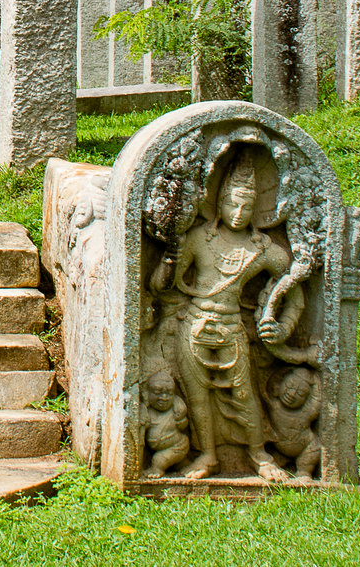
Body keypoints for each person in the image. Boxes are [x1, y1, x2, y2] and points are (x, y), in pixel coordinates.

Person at [152, 150, 294, 481]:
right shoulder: (200, 239)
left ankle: (259, 455)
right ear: (219, 202)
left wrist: (282, 323)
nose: (239, 212)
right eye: (233, 204)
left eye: (246, 206)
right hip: (195, 326)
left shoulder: (262, 249)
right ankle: (207, 456)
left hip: (231, 329)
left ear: (257, 207)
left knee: (245, 395)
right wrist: (169, 261)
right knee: (197, 397)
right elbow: (159, 287)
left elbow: (291, 284)